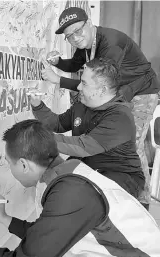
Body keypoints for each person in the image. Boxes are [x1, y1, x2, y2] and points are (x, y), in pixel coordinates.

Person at [0, 119, 160, 257]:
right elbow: (49, 237)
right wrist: (5, 219)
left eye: (8, 164)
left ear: (23, 165)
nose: (10, 171)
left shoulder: (72, 194)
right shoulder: (69, 173)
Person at [42, 6, 160, 205]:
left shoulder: (110, 44)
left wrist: (58, 80)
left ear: (89, 23)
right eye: (69, 36)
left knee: (134, 144)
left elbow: (97, 84)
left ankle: (141, 200)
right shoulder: (87, 44)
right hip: (120, 90)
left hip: (140, 91)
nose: (75, 38)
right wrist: (59, 62)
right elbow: (74, 65)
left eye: (78, 31)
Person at [30, 57, 147, 205]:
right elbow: (57, 124)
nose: (78, 87)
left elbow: (83, 146)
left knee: (80, 201)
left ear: (102, 90)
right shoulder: (82, 105)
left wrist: (42, 138)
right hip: (89, 170)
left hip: (122, 178)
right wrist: (37, 105)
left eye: (84, 83)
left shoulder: (120, 116)